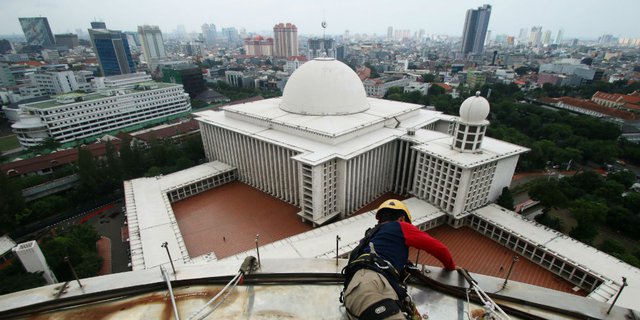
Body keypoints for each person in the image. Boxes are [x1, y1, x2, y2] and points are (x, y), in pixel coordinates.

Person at [341, 199, 456, 320]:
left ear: (380, 220)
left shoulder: (372, 236)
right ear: (402, 219)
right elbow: (439, 249)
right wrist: (451, 267)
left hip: (357, 289)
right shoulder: (401, 226)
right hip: (371, 285)